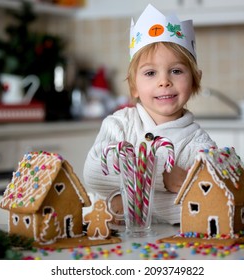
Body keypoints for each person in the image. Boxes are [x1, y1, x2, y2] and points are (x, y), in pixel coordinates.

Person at [83, 4, 216, 225]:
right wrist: (162, 178)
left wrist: (122, 203)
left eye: (176, 71)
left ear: (195, 81)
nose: (164, 81)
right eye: (150, 73)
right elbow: (94, 172)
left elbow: (203, 205)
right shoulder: (119, 124)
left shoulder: (199, 145)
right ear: (134, 86)